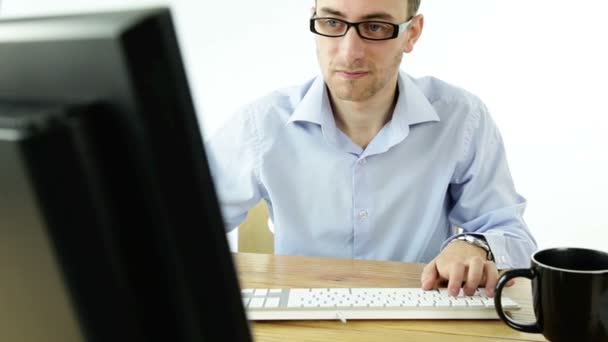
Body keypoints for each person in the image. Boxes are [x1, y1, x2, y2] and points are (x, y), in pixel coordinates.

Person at [206, 0, 537, 297]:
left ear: (412, 33)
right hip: (303, 321)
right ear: (315, 21)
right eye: (333, 23)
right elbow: (176, 227)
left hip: (420, 320)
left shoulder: (462, 118)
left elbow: (513, 236)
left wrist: (475, 245)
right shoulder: (260, 125)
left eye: (375, 27)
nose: (350, 52)